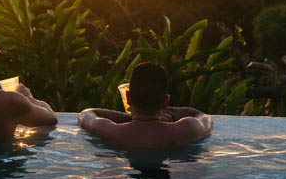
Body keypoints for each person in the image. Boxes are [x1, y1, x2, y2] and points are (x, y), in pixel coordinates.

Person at [78, 62, 212, 150]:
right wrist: (171, 112)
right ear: (166, 101)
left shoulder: (111, 131)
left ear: (128, 98)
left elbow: (86, 114)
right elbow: (204, 117)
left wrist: (126, 118)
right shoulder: (185, 129)